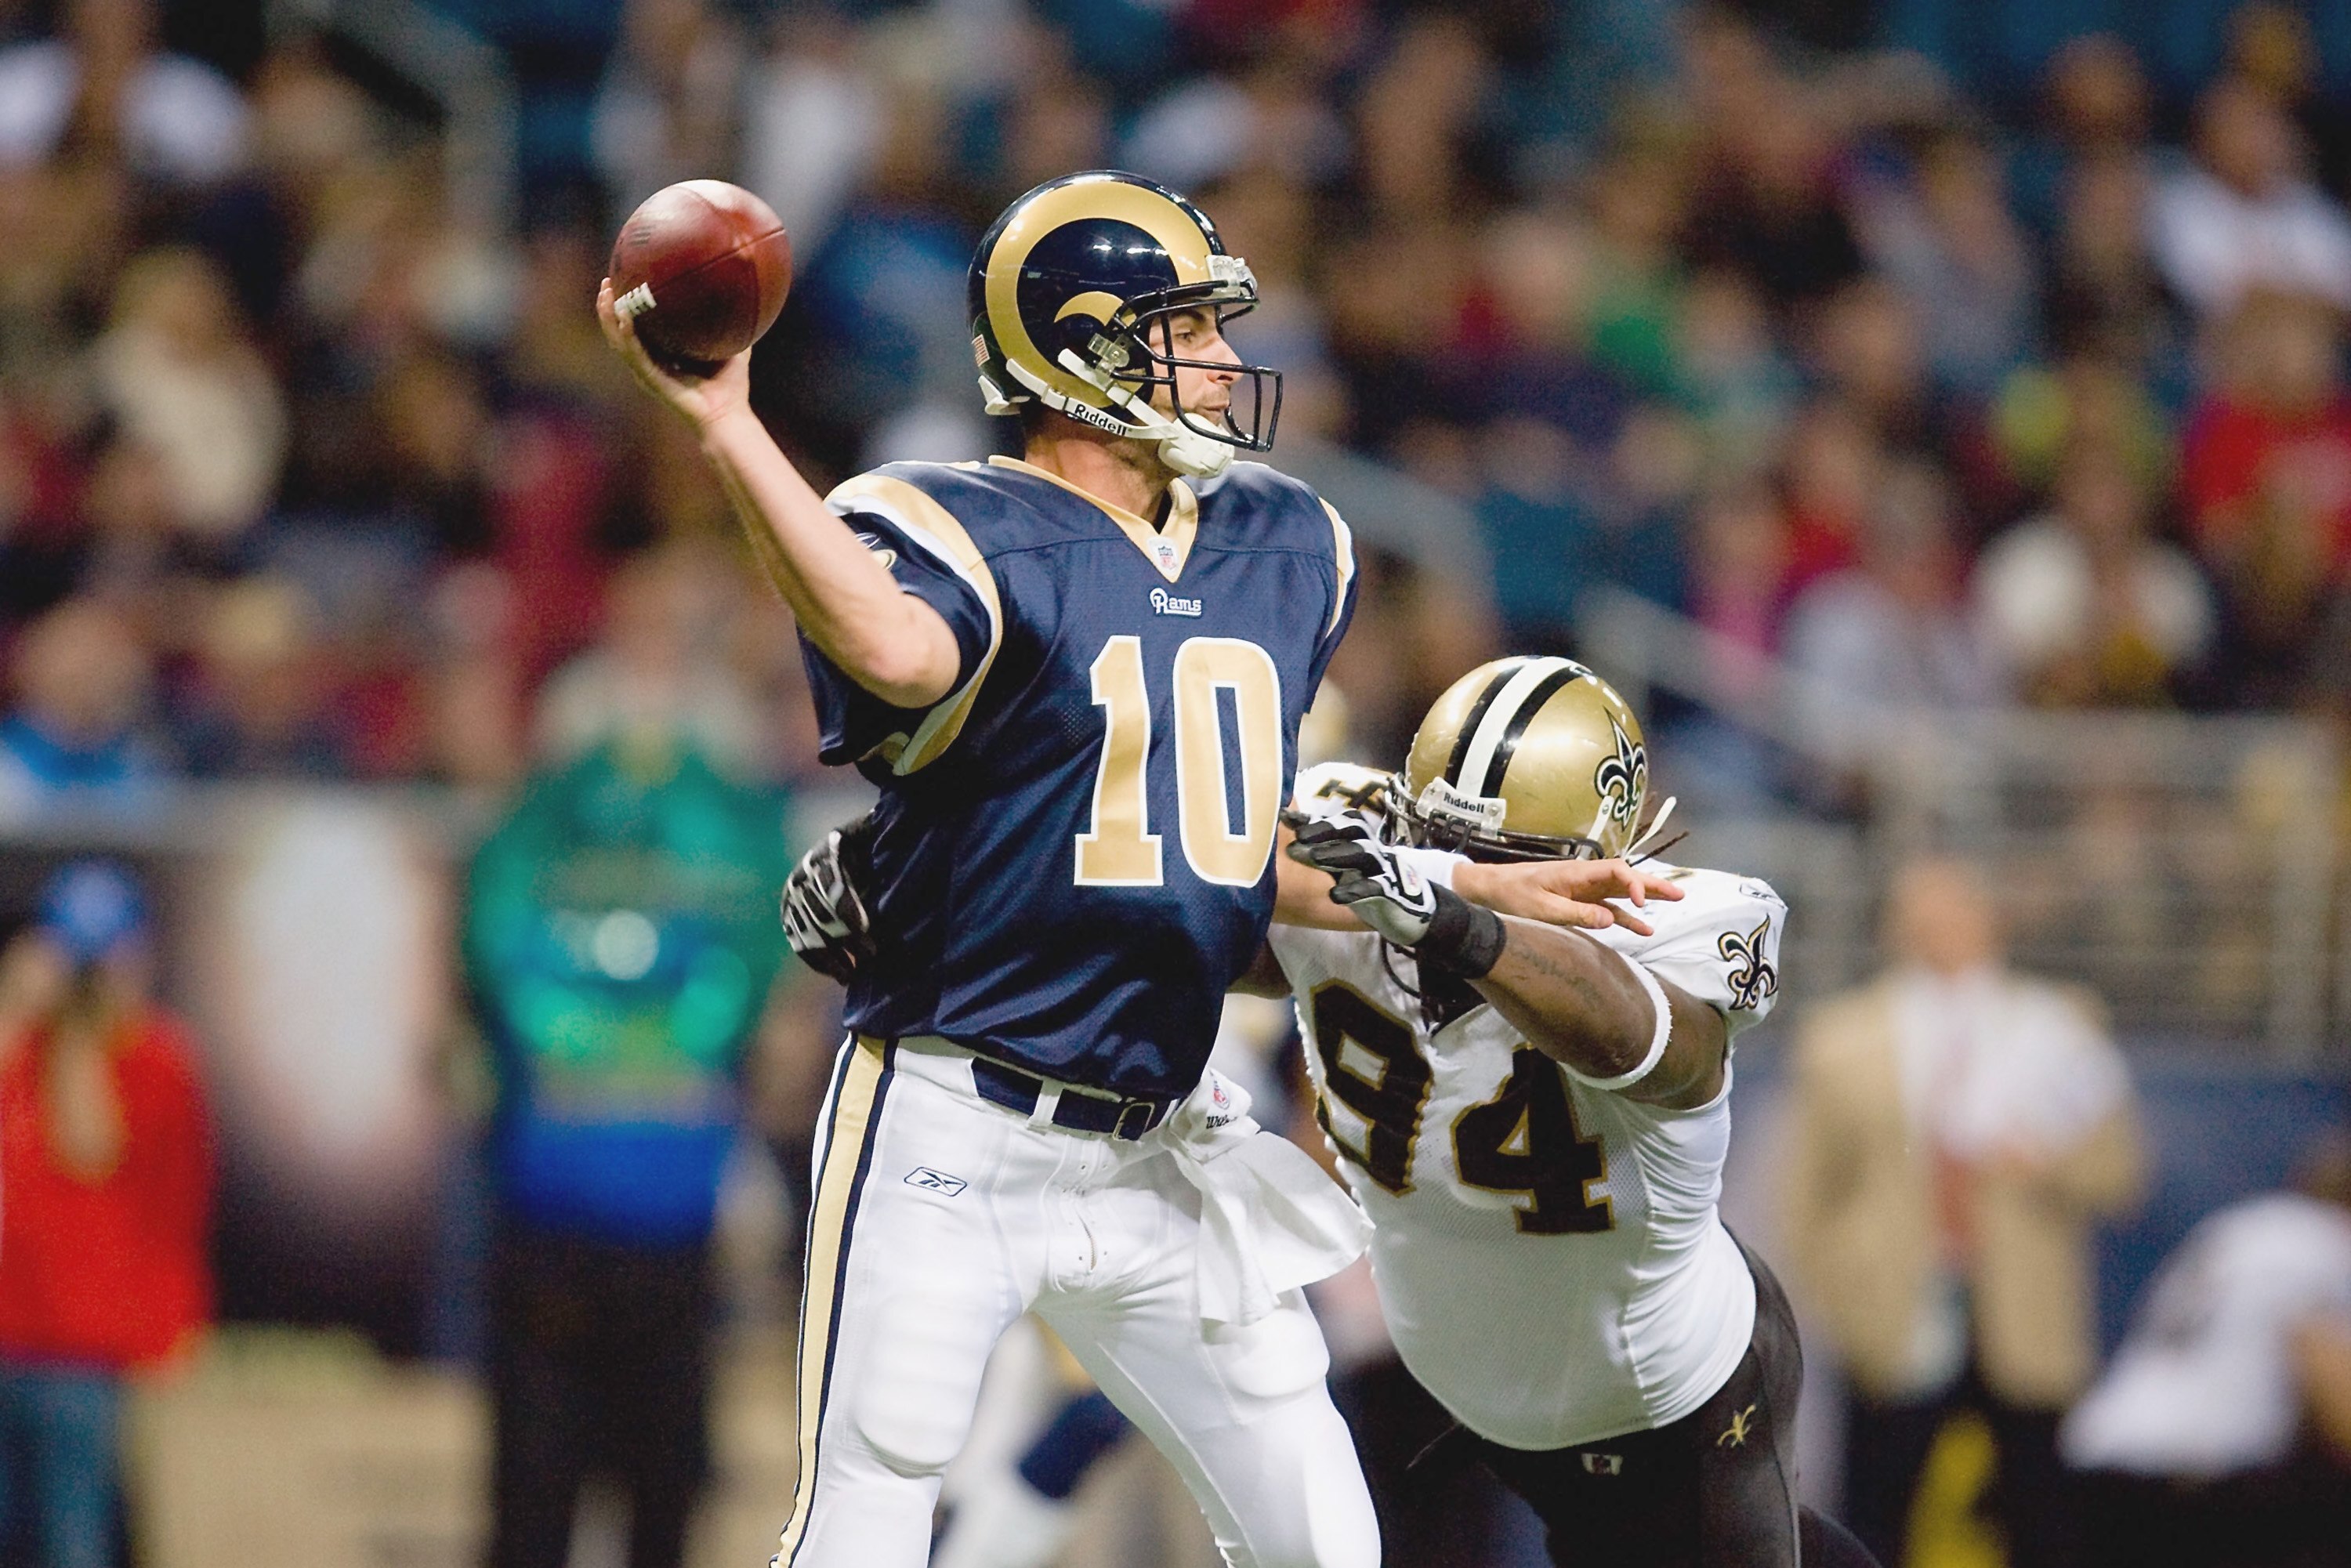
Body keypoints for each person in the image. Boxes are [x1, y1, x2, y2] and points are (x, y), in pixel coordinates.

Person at [610, 169, 1662, 1568]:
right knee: (869, 1512)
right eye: (1189, 329)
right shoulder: (957, 524)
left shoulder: (1289, 544)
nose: (1227, 363)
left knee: (1322, 1540)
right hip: (952, 1119)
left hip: (1162, 1141)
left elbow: (1235, 849)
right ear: (1082, 352)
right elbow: (901, 652)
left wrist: (1474, 892)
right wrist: (731, 427)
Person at [799, 656, 1880, 1567]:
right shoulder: (1364, 859)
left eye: (1510, 868)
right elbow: (1170, 916)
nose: (1480, 881)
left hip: (1671, 1393)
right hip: (1479, 1385)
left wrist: (1454, 917)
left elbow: (1652, 1045)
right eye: (1456, 853)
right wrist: (924, 905)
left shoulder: (1676, 926)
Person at [462, 732, 794, 1568]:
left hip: (654, 1251)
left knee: (650, 1495)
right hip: (565, 1243)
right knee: (548, 1496)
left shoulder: (551, 908)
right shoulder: (537, 905)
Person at [1780, 855, 2145, 1568]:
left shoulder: (2059, 1025)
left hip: (2026, 1320)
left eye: (1956, 909)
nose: (1939, 927)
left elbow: (2118, 1173)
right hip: (1895, 1317)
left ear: (1990, 918)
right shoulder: (1842, 1037)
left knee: (2041, 1519)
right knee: (1876, 1522)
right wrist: (1844, 1301)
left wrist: (2046, 1163)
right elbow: (1807, 1194)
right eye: (1922, 912)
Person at [0, 860, 213, 1568]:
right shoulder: (19, 1045)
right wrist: (15, 1008)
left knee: (75, 1542)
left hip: (85, 1352)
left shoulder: (155, 1057)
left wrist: (74, 1034)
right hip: (10, 1333)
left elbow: (92, 1147)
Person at [2062, 1129, 2351, 1568]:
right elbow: (2336, 1396)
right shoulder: (2322, 1243)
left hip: (2101, 1464)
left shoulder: (2243, 1227)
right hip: (2197, 1488)